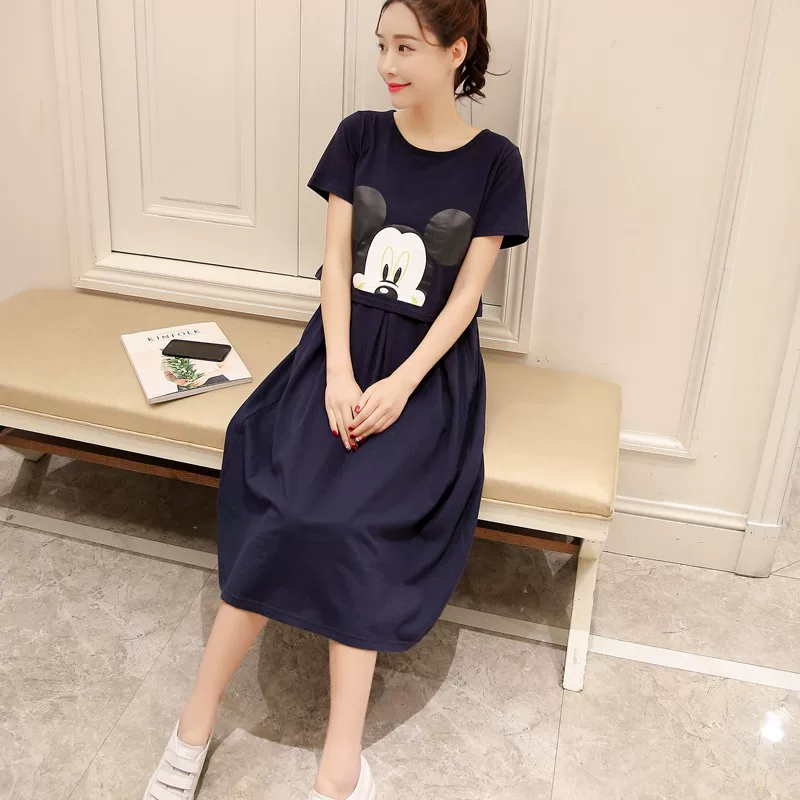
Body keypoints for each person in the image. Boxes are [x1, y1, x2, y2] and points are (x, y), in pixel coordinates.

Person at [142, 1, 529, 798]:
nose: (388, 64)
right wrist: (341, 376)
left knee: (356, 526)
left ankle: (339, 764)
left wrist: (399, 385)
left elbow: (465, 300)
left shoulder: (496, 161)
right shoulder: (359, 136)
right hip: (338, 355)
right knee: (284, 509)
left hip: (428, 376)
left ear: (457, 51)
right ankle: (192, 726)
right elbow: (336, 266)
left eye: (407, 47)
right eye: (383, 45)